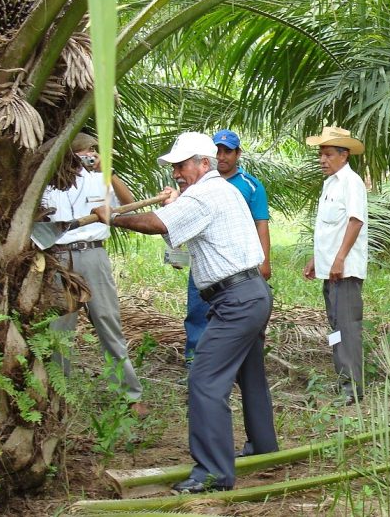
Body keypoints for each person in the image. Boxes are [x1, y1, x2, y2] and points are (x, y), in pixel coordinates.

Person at [93, 131, 277, 493]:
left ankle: (212, 473)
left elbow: (158, 224)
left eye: (181, 165)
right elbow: (175, 230)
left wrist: (111, 217)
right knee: (250, 373)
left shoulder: (205, 194)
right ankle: (264, 447)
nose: (176, 172)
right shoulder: (217, 190)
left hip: (237, 301)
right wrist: (175, 202)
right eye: (174, 166)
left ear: (203, 164)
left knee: (204, 381)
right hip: (248, 295)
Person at [41, 133, 147, 417]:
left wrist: (108, 172)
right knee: (58, 329)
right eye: (85, 151)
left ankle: (129, 394)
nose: (89, 155)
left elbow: (129, 201)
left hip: (93, 254)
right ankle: (55, 397)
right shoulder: (48, 180)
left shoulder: (99, 178)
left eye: (92, 151)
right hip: (58, 257)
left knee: (107, 321)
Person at [181, 129, 272, 366]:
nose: (222, 156)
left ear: (238, 154)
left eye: (228, 151)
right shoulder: (194, 184)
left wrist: (265, 261)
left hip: (237, 265)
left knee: (235, 314)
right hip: (206, 261)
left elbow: (261, 223)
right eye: (217, 151)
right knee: (198, 309)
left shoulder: (250, 186)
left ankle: (232, 361)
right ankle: (195, 358)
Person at [302, 127, 369, 405]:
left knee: (346, 326)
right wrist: (318, 258)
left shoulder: (350, 182)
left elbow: (355, 221)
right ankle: (343, 378)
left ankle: (352, 387)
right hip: (330, 269)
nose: (322, 159)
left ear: (344, 155)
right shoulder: (330, 184)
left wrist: (340, 258)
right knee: (335, 325)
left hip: (345, 270)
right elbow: (329, 228)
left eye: (328, 154)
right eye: (321, 153)